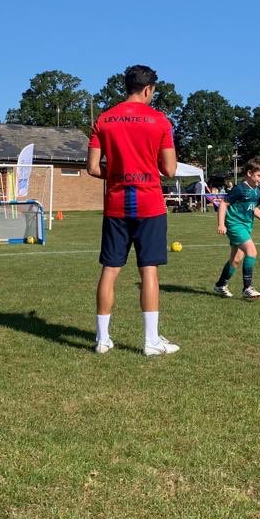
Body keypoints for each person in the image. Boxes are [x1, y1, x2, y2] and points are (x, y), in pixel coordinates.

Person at [86, 64, 179, 357]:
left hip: (115, 205)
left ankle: (102, 339)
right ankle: (150, 341)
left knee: (110, 270)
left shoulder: (104, 119)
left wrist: (116, 174)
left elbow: (91, 167)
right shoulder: (160, 121)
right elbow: (170, 169)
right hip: (150, 205)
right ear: (149, 89)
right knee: (148, 269)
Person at [213, 157, 260, 299]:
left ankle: (220, 285)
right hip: (235, 225)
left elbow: (253, 208)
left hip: (246, 226)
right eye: (259, 176)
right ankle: (247, 288)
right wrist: (221, 224)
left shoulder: (255, 190)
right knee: (252, 252)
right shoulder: (240, 189)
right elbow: (223, 204)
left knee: (236, 259)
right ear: (249, 173)